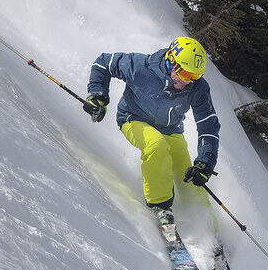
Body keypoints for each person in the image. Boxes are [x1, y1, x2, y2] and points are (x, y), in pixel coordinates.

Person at [83, 37, 219, 220]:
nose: (189, 81)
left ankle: (207, 223)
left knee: (190, 177)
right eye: (186, 74)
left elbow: (208, 125)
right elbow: (103, 63)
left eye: (195, 76)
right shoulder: (141, 67)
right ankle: (160, 205)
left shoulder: (197, 88)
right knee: (156, 145)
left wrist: (205, 163)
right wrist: (98, 97)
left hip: (170, 129)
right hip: (133, 119)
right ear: (172, 62)